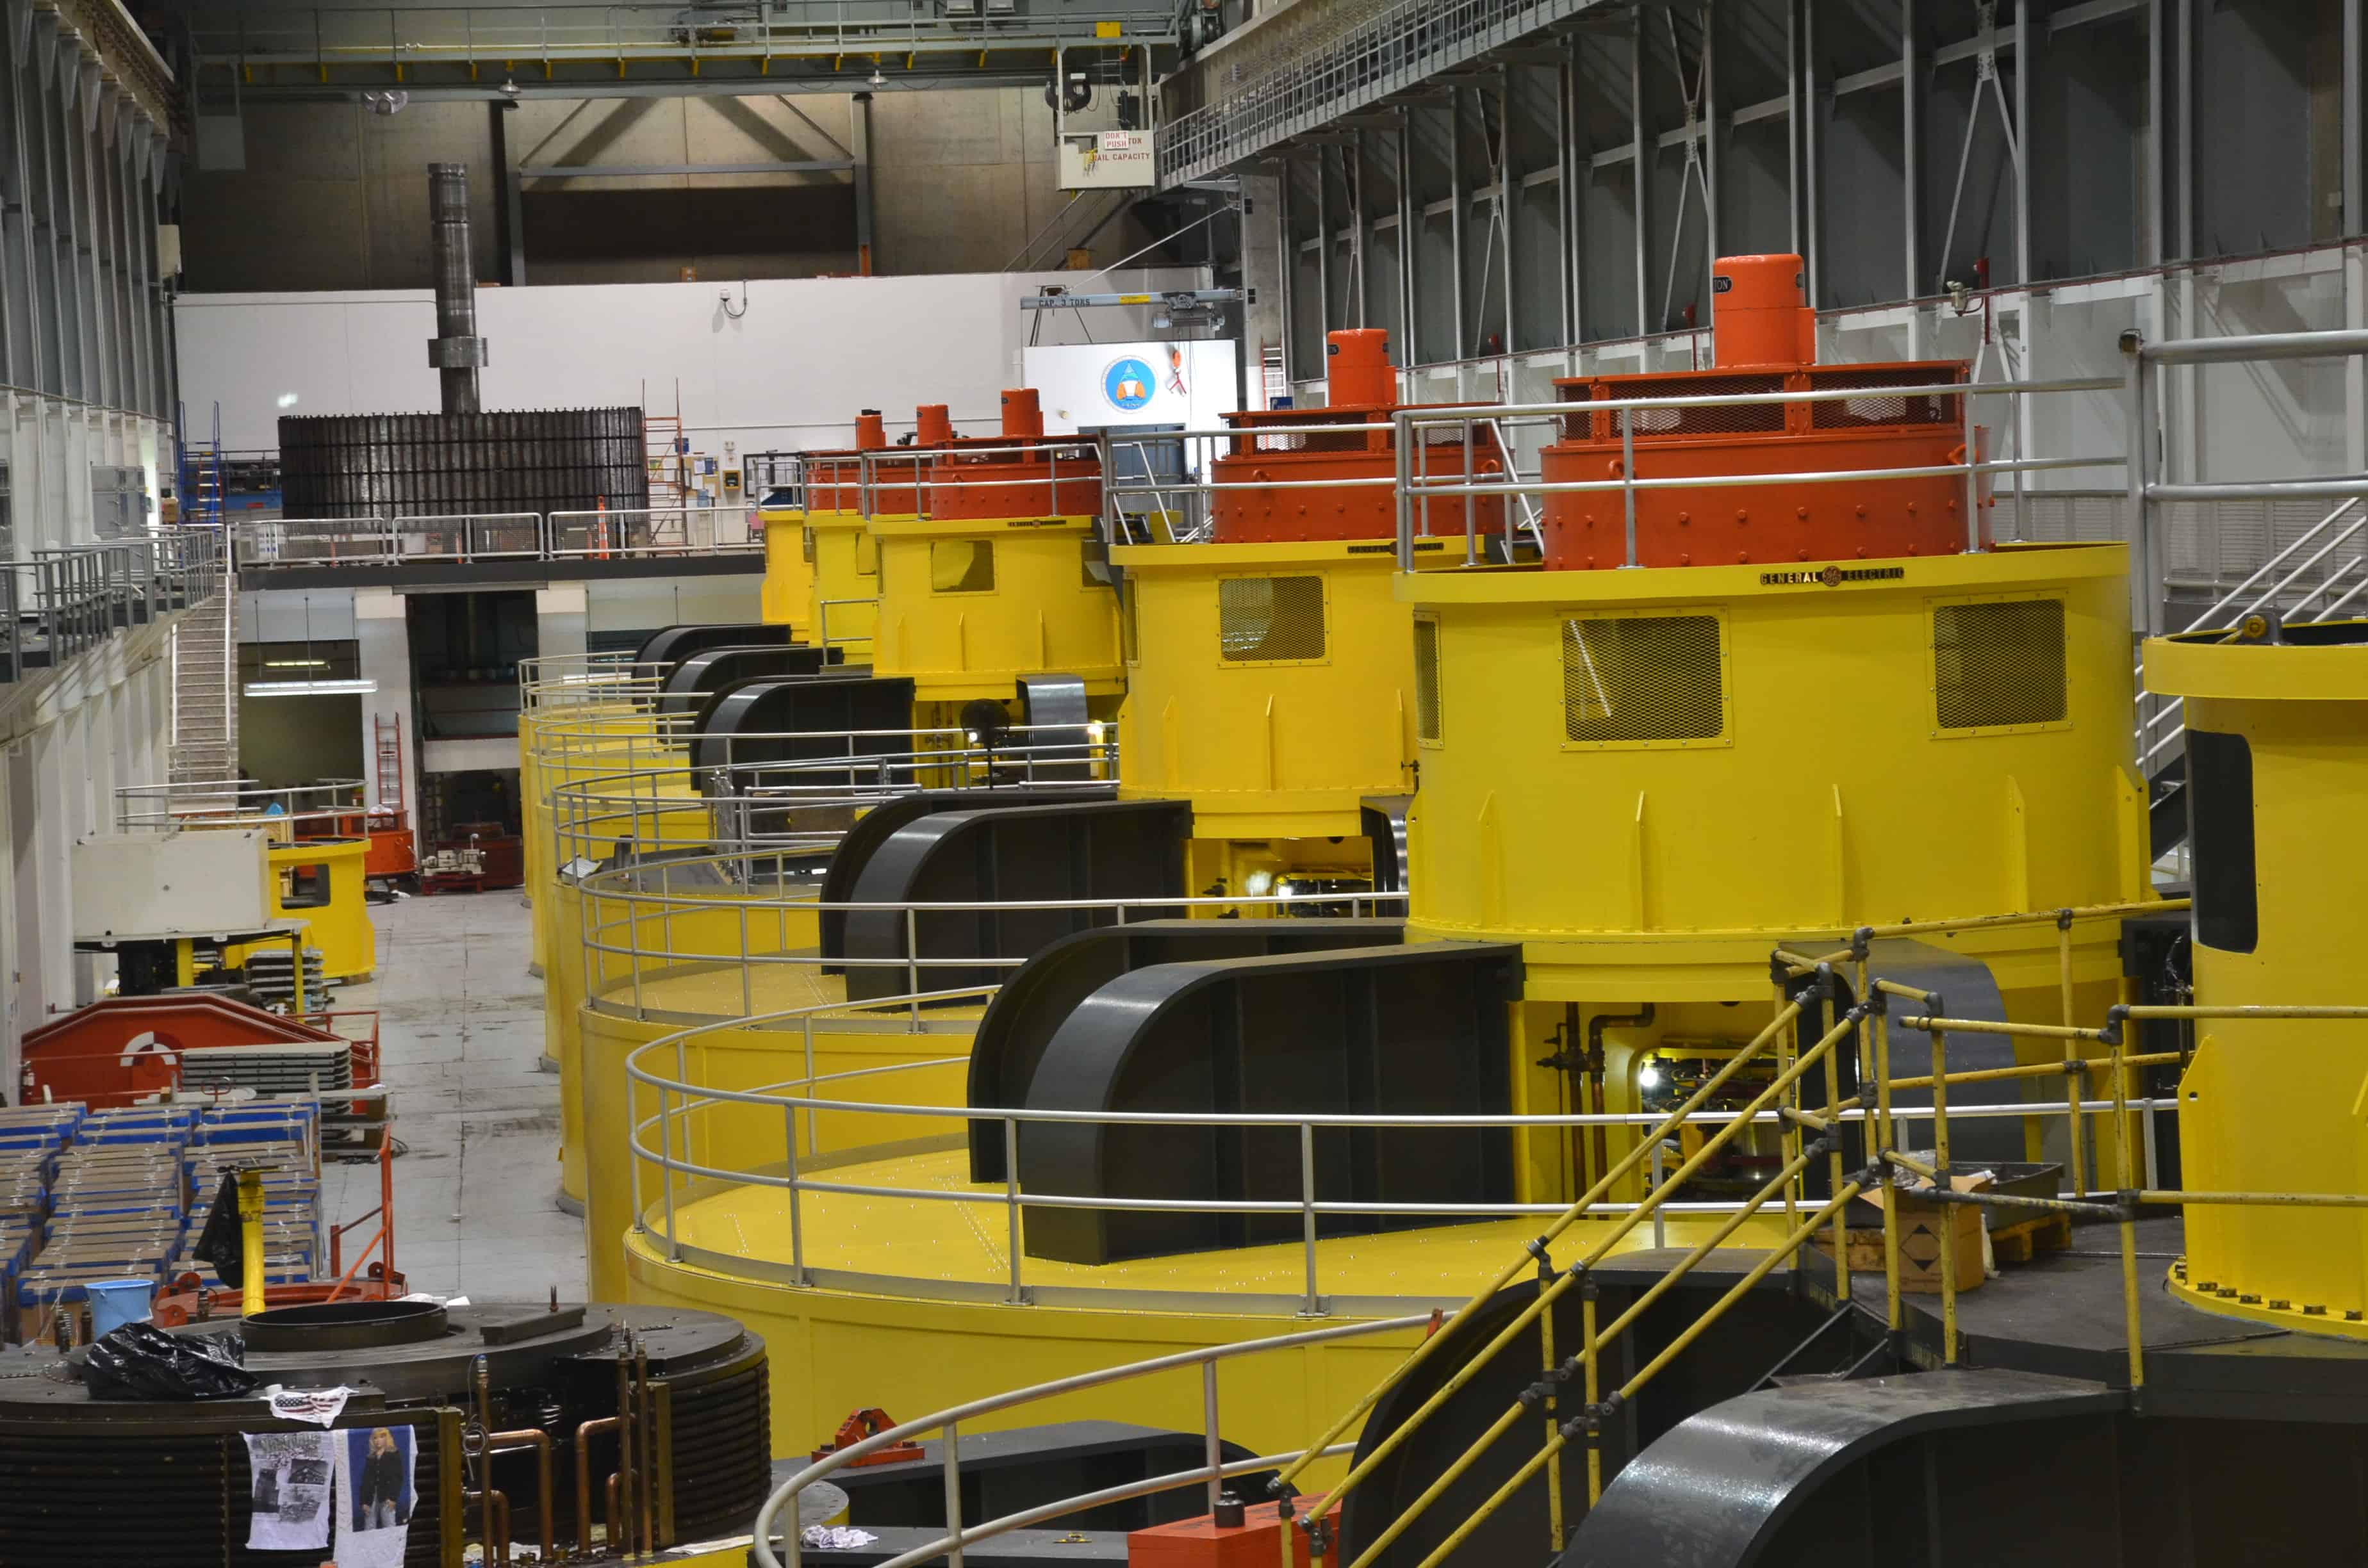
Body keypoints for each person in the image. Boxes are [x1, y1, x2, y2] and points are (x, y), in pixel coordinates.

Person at [355, 1428, 405, 1530]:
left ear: (387, 1438)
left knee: (389, 1525)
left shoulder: (394, 1455)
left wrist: (393, 1498)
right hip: (371, 1496)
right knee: (369, 1526)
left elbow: (397, 1478)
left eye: (382, 1437)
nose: (378, 1441)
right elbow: (366, 1481)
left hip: (387, 1496)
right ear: (372, 1441)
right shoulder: (371, 1458)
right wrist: (364, 1502)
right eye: (375, 1438)